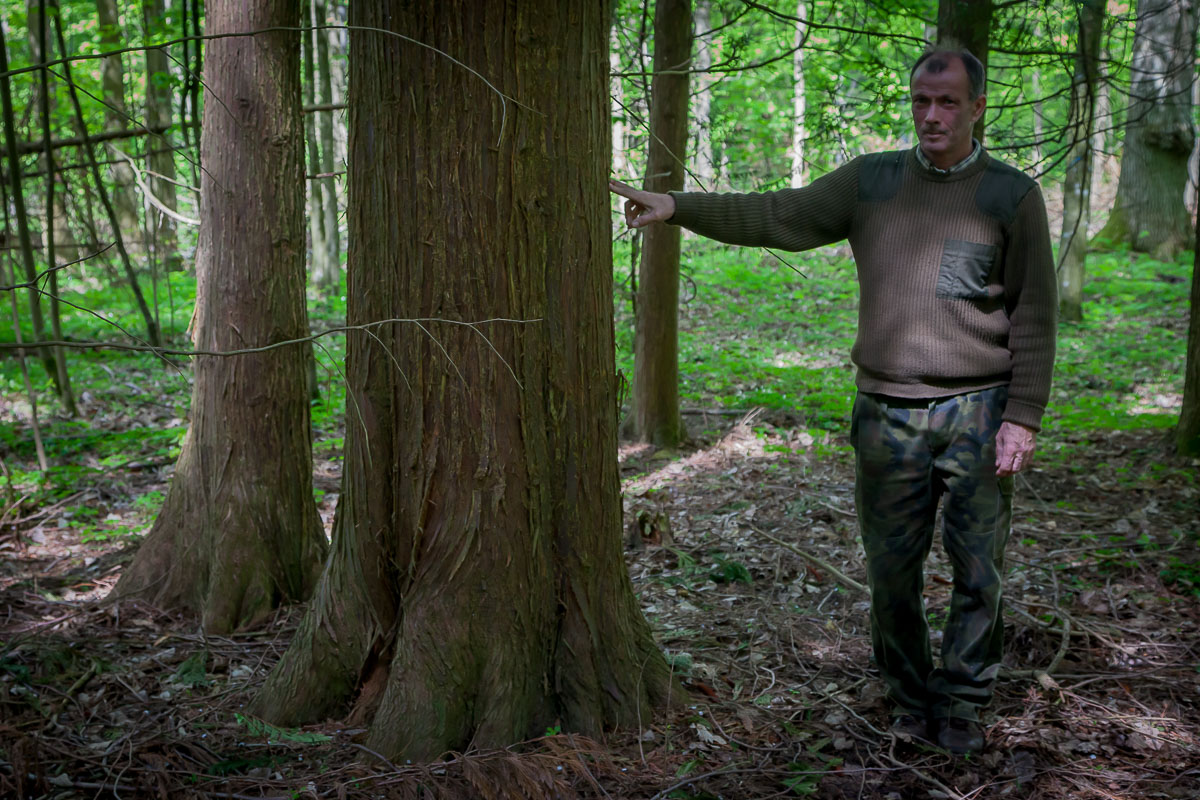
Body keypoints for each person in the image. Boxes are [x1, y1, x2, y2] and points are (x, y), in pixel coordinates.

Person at [609, 48, 1056, 755]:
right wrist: (676, 207)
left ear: (976, 108)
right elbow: (780, 215)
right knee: (891, 573)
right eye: (920, 100)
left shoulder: (1011, 196)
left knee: (978, 571)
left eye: (947, 102)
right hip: (886, 416)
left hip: (979, 411)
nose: (931, 115)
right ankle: (910, 699)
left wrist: (1023, 416)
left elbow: (1034, 311)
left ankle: (964, 703)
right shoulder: (873, 181)